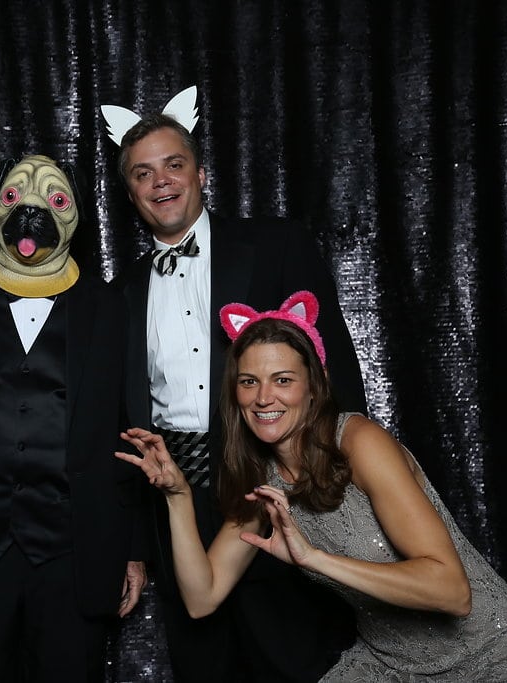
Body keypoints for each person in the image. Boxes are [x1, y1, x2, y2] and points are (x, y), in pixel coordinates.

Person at [118, 290, 507, 682]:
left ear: (316, 385)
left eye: (283, 380)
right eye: (249, 382)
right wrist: (177, 496)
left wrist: (314, 559)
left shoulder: (359, 442)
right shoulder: (263, 478)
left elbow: (453, 593)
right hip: (390, 663)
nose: (263, 397)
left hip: (492, 658)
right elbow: (202, 597)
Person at [104, 92, 366, 681]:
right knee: (202, 663)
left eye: (174, 164)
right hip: (175, 502)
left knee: (294, 659)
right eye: (143, 173)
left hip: (274, 488)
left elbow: (335, 371)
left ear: (200, 174)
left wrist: (336, 485)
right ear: (131, 194)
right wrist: (133, 545)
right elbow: (120, 423)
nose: (161, 181)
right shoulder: (120, 293)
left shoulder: (276, 246)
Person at [0, 155, 145, 682]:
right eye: (15, 196)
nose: (32, 210)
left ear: (77, 215)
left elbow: (131, 426)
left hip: (75, 549)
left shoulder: (110, 306)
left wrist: (133, 551)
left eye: (55, 199)